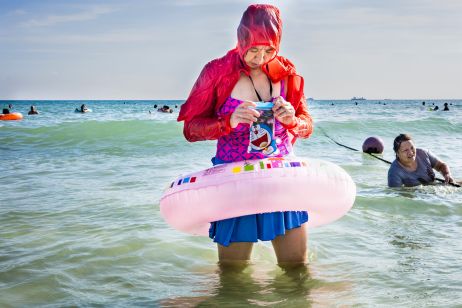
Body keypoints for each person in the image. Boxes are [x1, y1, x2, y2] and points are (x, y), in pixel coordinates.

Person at [178, 4, 313, 264]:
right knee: (232, 276)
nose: (260, 58)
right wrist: (227, 121)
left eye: (269, 50)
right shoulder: (216, 72)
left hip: (281, 176)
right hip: (234, 180)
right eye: (253, 49)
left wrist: (291, 120)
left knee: (297, 269)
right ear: (241, 40)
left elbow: (307, 125)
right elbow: (190, 129)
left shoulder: (287, 72)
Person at [388, 134, 455, 187]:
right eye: (405, 150)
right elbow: (397, 195)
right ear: (397, 153)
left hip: (436, 188)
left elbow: (441, 165)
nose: (411, 152)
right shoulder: (394, 173)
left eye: (412, 148)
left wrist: (447, 174)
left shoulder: (423, 153)